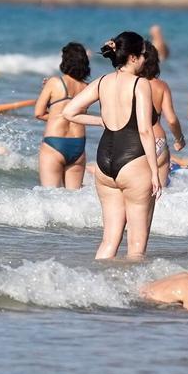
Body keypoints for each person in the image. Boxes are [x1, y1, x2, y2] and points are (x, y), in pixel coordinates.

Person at [62, 32, 161, 259]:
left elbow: (69, 112)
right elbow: (145, 130)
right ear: (133, 57)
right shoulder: (140, 84)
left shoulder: (101, 82)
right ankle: (129, 283)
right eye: (143, 55)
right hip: (133, 162)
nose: (145, 59)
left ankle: (98, 280)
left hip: (104, 163)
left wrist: (101, 121)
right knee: (136, 245)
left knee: (108, 240)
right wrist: (155, 172)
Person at [35, 42, 92, 189]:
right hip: (78, 146)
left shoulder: (54, 82)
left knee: (50, 195)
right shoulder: (87, 88)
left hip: (54, 144)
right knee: (74, 198)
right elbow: (79, 114)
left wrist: (56, 115)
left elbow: (39, 113)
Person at [140, 42, 186, 188]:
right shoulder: (162, 86)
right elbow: (171, 120)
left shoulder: (130, 84)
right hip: (158, 142)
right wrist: (179, 139)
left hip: (135, 143)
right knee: (161, 194)